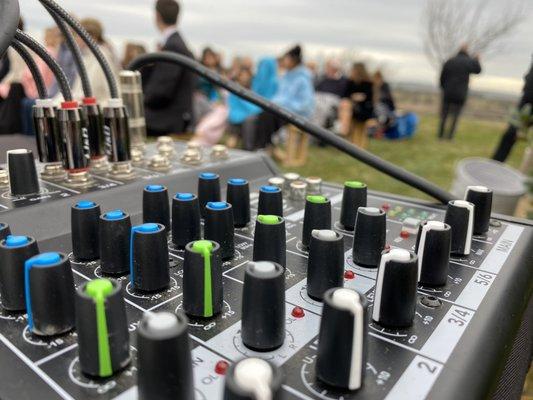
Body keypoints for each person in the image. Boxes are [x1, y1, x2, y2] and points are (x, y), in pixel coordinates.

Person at [143, 0, 195, 136]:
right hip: (173, 120)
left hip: (167, 122)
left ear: (157, 16)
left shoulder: (173, 45)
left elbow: (161, 90)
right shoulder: (176, 43)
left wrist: (141, 100)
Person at [252, 45, 314, 150]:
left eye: (286, 59)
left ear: (293, 60)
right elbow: (279, 96)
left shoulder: (302, 79)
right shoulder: (286, 76)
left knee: (268, 116)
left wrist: (282, 106)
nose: (283, 62)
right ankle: (264, 145)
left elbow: (305, 104)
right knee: (262, 115)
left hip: (296, 114)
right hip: (281, 110)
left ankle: (264, 146)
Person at [66, 18, 119, 102]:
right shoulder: (88, 56)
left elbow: (88, 90)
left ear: (90, 36)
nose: (74, 38)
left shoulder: (100, 56)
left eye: (76, 34)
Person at [492, 59, 533, 162]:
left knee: (511, 133)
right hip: (528, 98)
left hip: (528, 96)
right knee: (511, 133)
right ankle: (496, 163)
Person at [438, 45, 481, 140]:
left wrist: (443, 87)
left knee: (444, 114)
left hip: (448, 91)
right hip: (461, 92)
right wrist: (477, 60)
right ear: (467, 52)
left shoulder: (450, 61)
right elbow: (478, 70)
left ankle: (440, 135)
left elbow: (442, 76)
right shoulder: (469, 62)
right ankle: (450, 136)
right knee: (456, 115)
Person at [338, 62, 374, 148]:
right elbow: (344, 95)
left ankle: (359, 145)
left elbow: (370, 98)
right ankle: (351, 143)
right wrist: (353, 97)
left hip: (364, 108)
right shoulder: (350, 82)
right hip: (351, 107)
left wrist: (362, 98)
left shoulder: (368, 83)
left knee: (360, 125)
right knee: (348, 112)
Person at [314, 58, 348, 129]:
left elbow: (342, 93)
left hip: (333, 99)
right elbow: (316, 89)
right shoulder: (322, 77)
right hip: (320, 97)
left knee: (322, 107)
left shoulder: (342, 79)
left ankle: (317, 128)